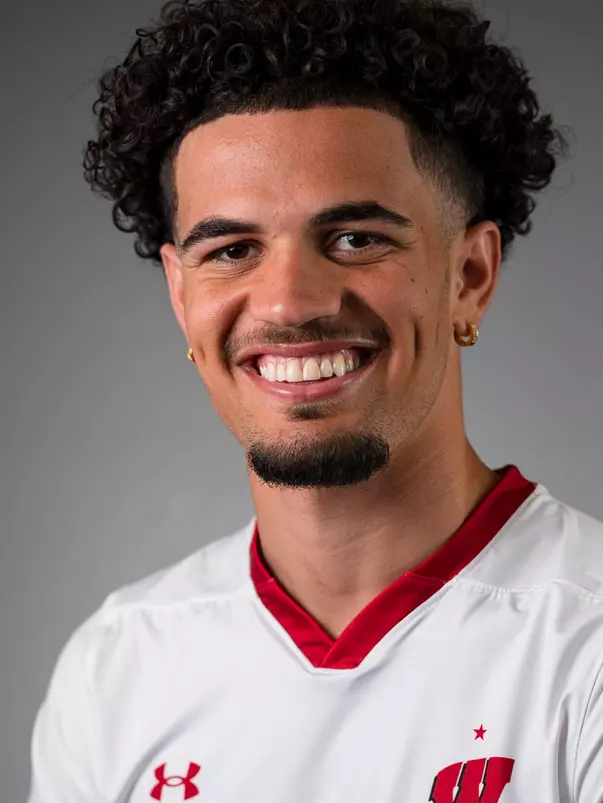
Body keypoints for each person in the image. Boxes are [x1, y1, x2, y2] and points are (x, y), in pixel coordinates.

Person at [28, 0, 603, 801]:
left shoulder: (585, 641)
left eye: (356, 239)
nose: (289, 302)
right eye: (231, 250)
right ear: (179, 295)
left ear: (468, 277)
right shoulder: (117, 666)